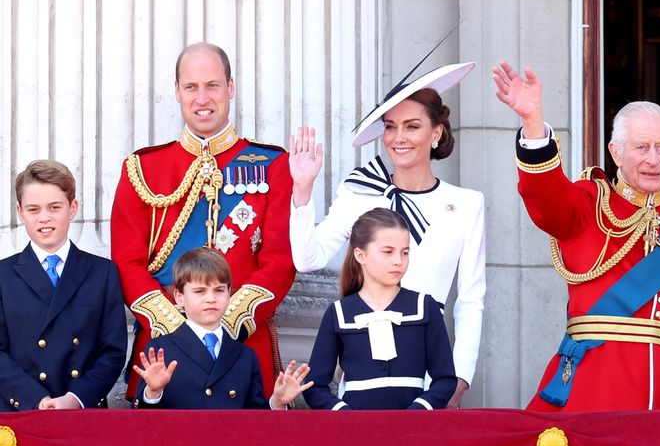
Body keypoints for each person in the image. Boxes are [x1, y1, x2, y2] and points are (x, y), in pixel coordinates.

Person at [492, 61, 660, 411]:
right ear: (616, 153)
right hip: (592, 391)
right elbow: (546, 198)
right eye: (641, 147)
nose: (653, 159)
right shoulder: (589, 203)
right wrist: (533, 123)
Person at [289, 61, 484, 409]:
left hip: (429, 373)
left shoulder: (466, 204)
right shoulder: (360, 190)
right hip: (364, 378)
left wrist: (459, 379)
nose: (399, 138)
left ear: (436, 133)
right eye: (391, 127)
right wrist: (302, 193)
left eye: (412, 126)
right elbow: (307, 259)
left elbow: (470, 299)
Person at [111, 42, 296, 400]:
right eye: (191, 87)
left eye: (212, 85)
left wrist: (225, 323)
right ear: (177, 91)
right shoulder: (142, 169)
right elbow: (126, 262)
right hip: (164, 348)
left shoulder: (274, 165)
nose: (202, 98)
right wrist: (177, 328)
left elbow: (281, 262)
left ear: (231, 87)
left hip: (241, 348)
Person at [0, 160, 127, 410]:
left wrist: (75, 399)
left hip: (82, 410)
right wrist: (36, 399)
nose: (44, 218)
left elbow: (112, 351)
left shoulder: (102, 272)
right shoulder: (2, 275)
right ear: (20, 212)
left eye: (54, 207)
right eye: (33, 209)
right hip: (20, 411)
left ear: (72, 208)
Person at [302, 209, 458, 410]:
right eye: (388, 252)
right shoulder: (339, 313)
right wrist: (345, 415)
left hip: (414, 432)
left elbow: (445, 379)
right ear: (360, 255)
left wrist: (418, 412)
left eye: (405, 252)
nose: (398, 261)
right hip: (357, 433)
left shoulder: (424, 307)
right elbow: (314, 387)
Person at [133, 248, 311, 409]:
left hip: (232, 444)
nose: (211, 299)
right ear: (179, 297)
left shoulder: (245, 356)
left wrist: (277, 402)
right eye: (200, 291)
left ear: (229, 294)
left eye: (219, 290)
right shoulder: (160, 350)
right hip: (179, 442)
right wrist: (153, 393)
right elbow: (144, 424)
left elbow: (255, 420)